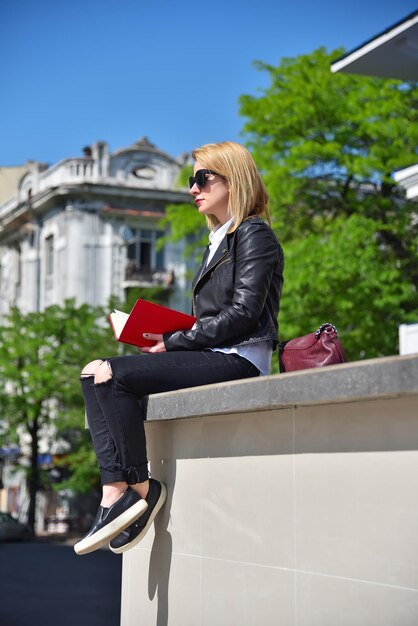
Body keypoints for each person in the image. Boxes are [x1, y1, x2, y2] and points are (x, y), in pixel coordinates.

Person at [74, 141, 284, 556]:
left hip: (240, 360)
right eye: (193, 180)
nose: (193, 188)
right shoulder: (217, 241)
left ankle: (138, 489)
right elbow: (213, 319)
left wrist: (172, 341)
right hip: (216, 354)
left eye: (202, 178)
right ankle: (117, 492)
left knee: (114, 374)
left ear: (234, 179)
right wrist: (161, 334)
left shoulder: (253, 234)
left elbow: (243, 314)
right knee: (92, 369)